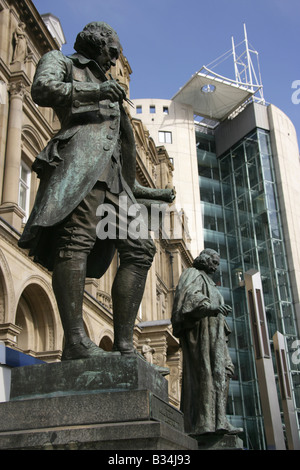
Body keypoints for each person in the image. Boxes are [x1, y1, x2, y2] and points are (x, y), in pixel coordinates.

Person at [18, 22, 174, 361]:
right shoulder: (61, 61)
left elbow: (119, 151)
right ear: (95, 41)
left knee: (141, 249)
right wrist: (97, 92)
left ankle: (124, 345)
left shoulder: (110, 85)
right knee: (75, 242)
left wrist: (155, 193)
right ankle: (75, 340)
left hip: (116, 183)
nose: (115, 59)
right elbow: (42, 89)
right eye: (113, 50)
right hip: (79, 166)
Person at [171, 248, 241, 436]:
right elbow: (189, 300)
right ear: (204, 260)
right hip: (202, 335)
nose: (216, 267)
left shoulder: (210, 282)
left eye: (218, 264)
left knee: (225, 370)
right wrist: (211, 308)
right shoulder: (193, 274)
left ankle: (220, 419)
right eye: (214, 262)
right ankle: (204, 422)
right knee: (207, 374)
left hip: (216, 336)